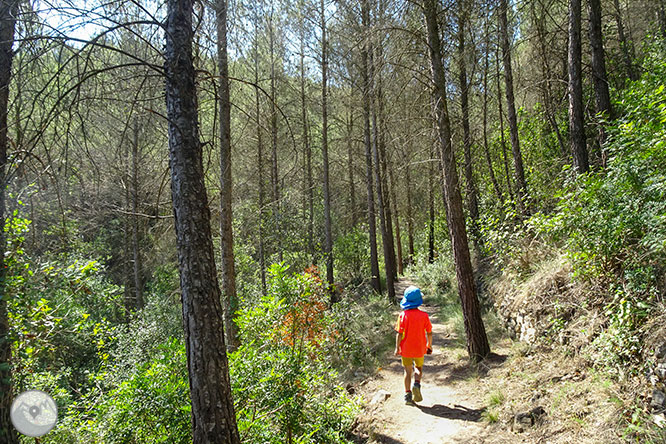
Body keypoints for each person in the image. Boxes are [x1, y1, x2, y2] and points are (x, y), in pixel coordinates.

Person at [394, 286, 433, 405]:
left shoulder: (402, 316)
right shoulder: (424, 316)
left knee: (407, 370)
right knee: (418, 368)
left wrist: (397, 348)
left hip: (406, 348)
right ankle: (416, 384)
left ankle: (407, 395)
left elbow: (399, 334)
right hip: (420, 347)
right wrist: (429, 345)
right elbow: (429, 332)